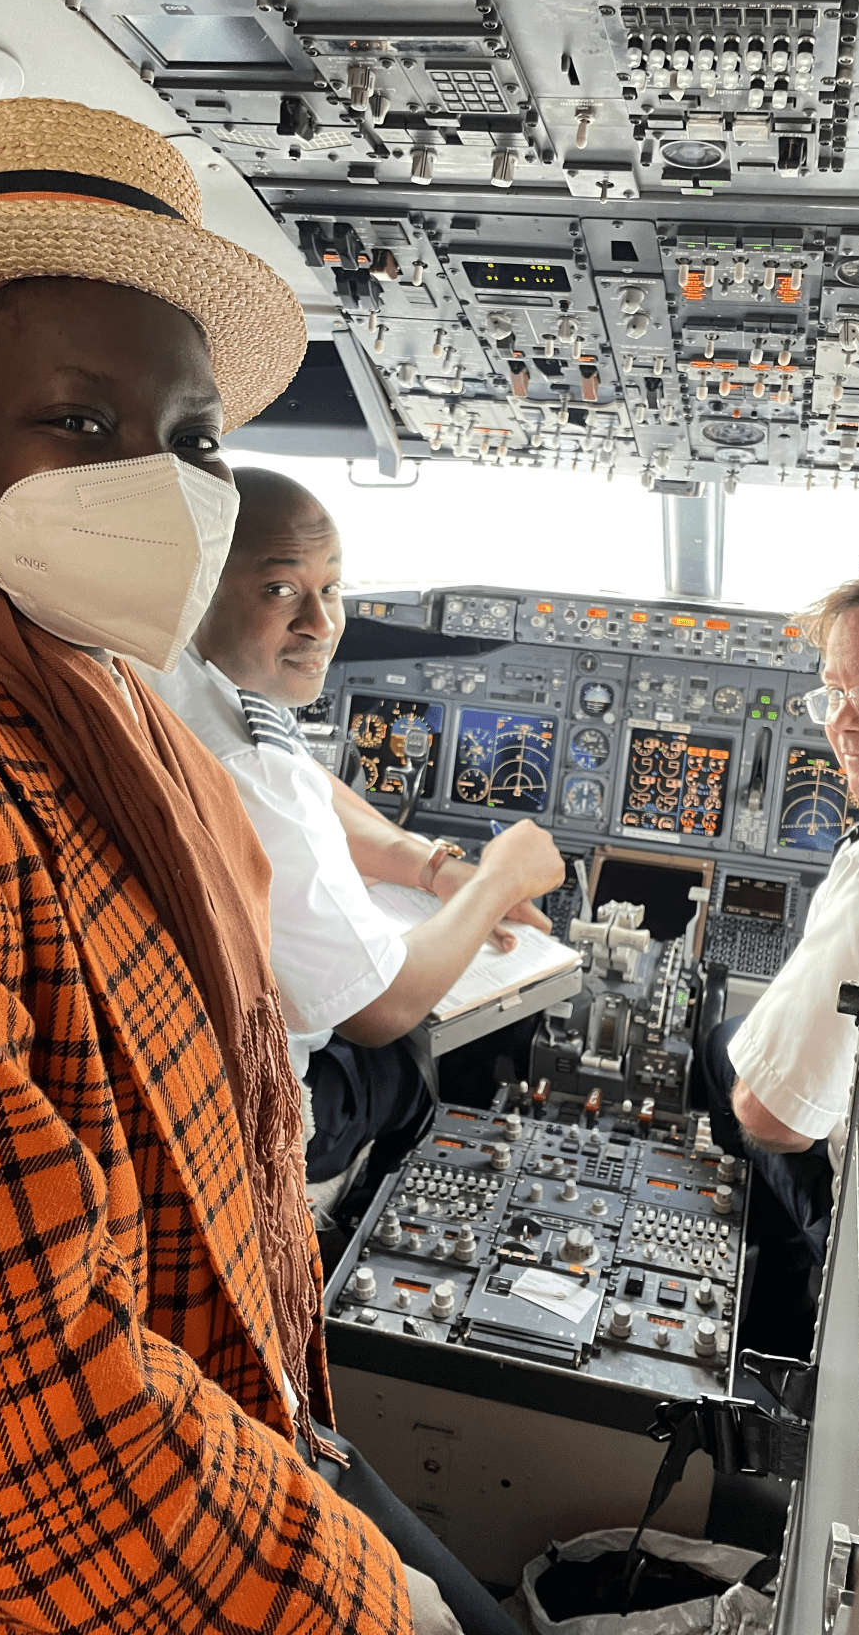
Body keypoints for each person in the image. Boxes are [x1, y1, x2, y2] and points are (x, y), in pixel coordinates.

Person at [0, 97, 516, 1635]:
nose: (158, 485)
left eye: (196, 438)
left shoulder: (116, 724)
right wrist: (366, 1604)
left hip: (239, 1438)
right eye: (77, 421)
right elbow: (7, 1435)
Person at [141, 469, 566, 1188]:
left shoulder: (164, 666)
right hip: (252, 1111)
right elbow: (384, 1005)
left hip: (183, 1050)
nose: (322, 623)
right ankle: (345, 1214)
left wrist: (430, 866)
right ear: (201, 584)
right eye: (280, 590)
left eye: (331, 588)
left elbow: (301, 777)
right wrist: (500, 879)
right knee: (409, 1058)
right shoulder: (246, 770)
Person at [694, 571, 859, 1300]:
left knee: (727, 1058)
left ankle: (773, 1288)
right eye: (834, 691)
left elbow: (775, 1115)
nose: (844, 722)